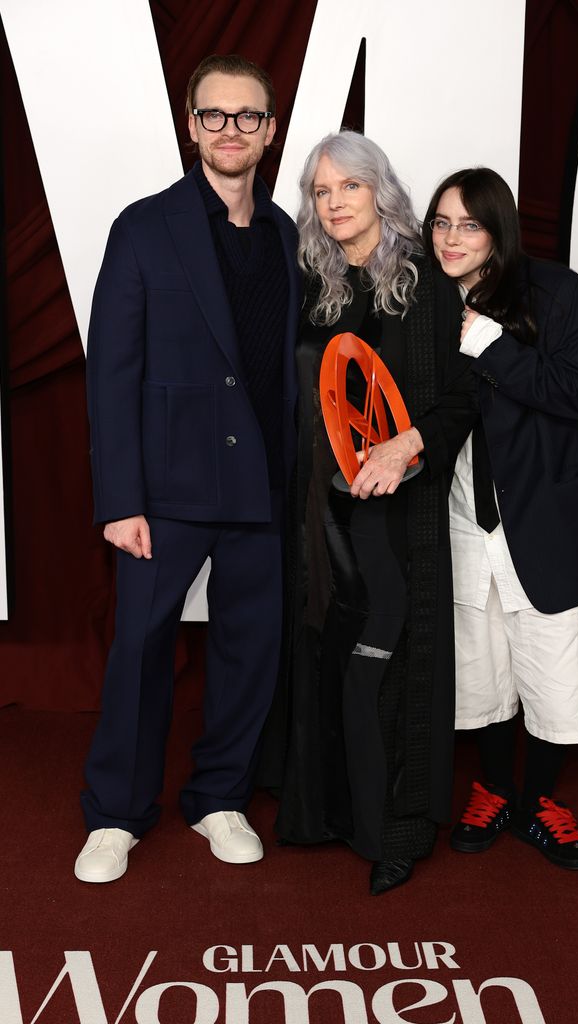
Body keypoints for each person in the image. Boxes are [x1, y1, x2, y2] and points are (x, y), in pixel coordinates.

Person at [75, 54, 300, 883]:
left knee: (250, 649)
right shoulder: (143, 226)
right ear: (191, 124)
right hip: (164, 492)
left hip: (262, 486)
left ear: (269, 130)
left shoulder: (283, 233)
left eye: (248, 117)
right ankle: (115, 816)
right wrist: (119, 498)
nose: (231, 130)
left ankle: (218, 797)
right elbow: (112, 370)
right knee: (139, 647)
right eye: (215, 116)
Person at [275, 132, 477, 894]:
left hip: (396, 514)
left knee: (386, 673)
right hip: (321, 518)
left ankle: (395, 830)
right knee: (330, 660)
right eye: (321, 192)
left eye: (347, 188)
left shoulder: (422, 279)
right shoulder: (316, 279)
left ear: (379, 190)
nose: (333, 204)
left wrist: (406, 447)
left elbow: (460, 398)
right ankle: (329, 812)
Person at [423, 167, 578, 869]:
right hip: (457, 516)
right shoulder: (422, 300)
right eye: (441, 223)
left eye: (468, 224)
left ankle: (540, 798)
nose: (451, 238)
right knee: (479, 669)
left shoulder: (559, 292)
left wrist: (490, 344)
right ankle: (493, 787)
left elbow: (576, 393)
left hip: (546, 517)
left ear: (498, 228)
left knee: (557, 668)